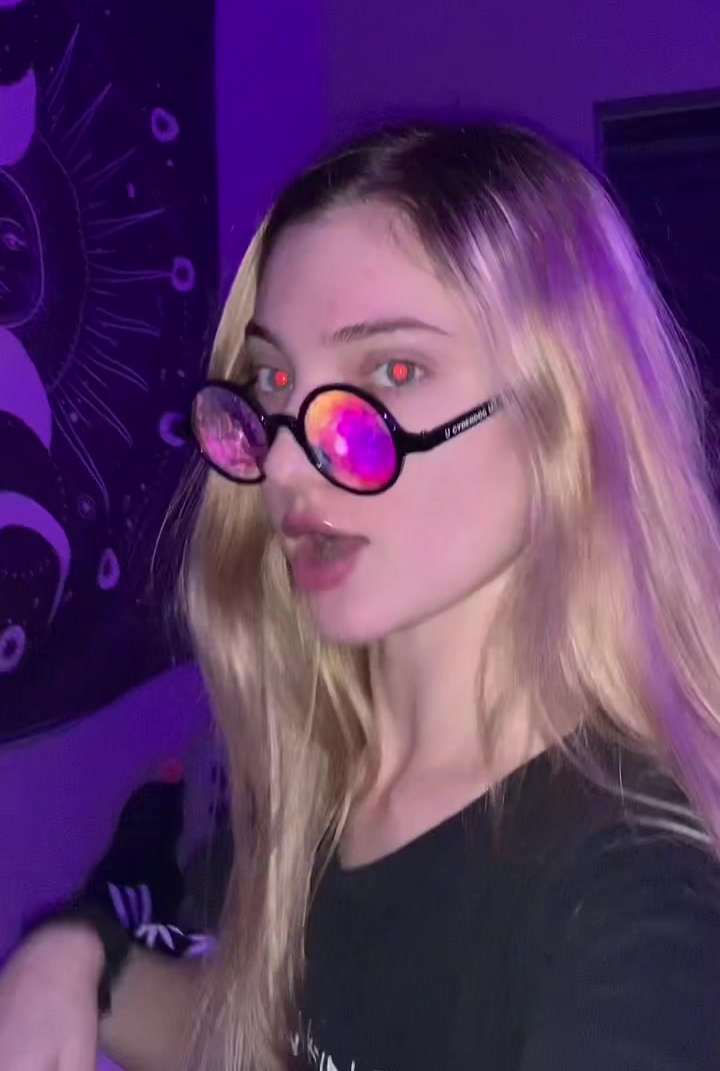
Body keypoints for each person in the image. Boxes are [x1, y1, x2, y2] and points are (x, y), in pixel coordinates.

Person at [3, 120, 720, 1071]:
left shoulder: (638, 895)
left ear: (569, 416)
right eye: (272, 380)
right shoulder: (316, 782)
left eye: (393, 370)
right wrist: (79, 959)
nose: (286, 460)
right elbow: (251, 1038)